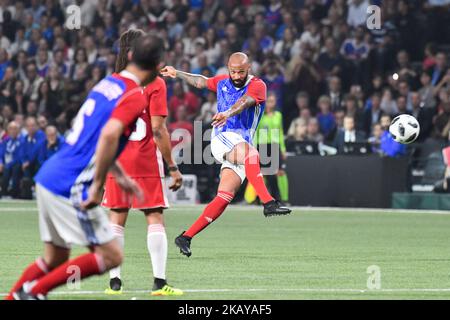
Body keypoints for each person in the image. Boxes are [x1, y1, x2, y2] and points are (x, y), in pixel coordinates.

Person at [7, 34, 164, 300]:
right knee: (111, 255)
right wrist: (97, 186)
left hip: (49, 175)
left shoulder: (107, 83)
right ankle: (34, 292)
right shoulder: (135, 95)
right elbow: (108, 136)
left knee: (55, 256)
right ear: (158, 65)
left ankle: (14, 297)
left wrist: (120, 174)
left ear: (129, 57)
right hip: (71, 182)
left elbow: (94, 135)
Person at [161, 52, 291, 258]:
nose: (237, 76)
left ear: (248, 69)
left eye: (241, 72)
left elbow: (246, 102)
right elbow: (200, 82)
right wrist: (177, 73)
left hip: (240, 142)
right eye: (233, 71)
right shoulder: (222, 81)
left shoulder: (258, 85)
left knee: (223, 198)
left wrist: (227, 112)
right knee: (252, 156)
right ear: (228, 69)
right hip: (223, 137)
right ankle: (268, 202)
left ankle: (185, 237)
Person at [102, 29, 183, 297]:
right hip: (145, 158)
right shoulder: (155, 83)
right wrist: (172, 166)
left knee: (116, 217)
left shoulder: (114, 82)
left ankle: (115, 282)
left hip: (118, 158)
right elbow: (158, 130)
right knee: (154, 216)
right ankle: (159, 283)